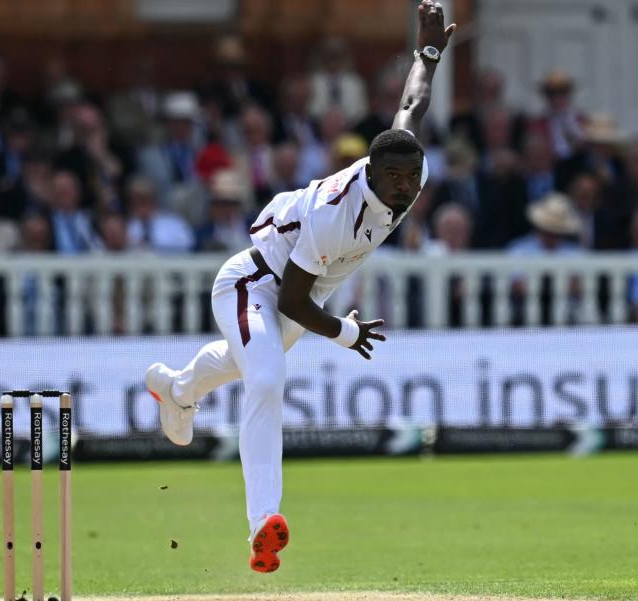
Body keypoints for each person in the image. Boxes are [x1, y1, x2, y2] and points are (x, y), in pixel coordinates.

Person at [144, 0, 455, 574]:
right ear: (370, 170)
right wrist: (343, 332)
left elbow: (412, 104)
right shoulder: (337, 213)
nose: (407, 188)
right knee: (265, 376)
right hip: (252, 285)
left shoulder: (406, 162)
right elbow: (291, 298)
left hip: (295, 298)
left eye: (413, 178)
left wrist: (428, 52)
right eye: (395, 179)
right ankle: (264, 523)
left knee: (246, 363)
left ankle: (178, 390)